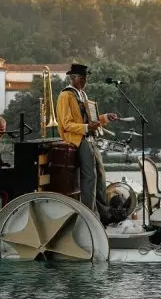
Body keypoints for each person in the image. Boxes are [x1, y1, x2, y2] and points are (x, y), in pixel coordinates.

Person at [56, 63, 120, 225]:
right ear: (73, 78)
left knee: (100, 176)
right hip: (78, 139)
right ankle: (89, 217)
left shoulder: (82, 95)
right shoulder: (66, 96)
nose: (84, 81)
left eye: (85, 79)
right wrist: (86, 127)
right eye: (81, 78)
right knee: (89, 179)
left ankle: (103, 214)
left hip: (90, 138)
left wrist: (105, 117)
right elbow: (65, 124)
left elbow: (91, 120)